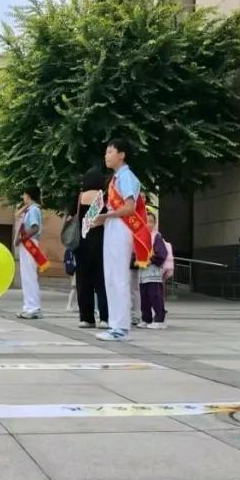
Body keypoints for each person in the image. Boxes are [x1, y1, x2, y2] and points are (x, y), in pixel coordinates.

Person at [93, 138, 150, 342]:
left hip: (121, 227)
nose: (106, 155)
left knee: (118, 277)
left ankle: (121, 328)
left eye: (110, 151)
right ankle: (115, 325)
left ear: (122, 155)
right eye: (106, 152)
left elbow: (129, 208)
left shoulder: (126, 176)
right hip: (113, 226)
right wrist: (103, 219)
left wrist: (106, 216)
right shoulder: (116, 178)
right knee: (110, 277)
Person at [71, 168, 109, 329]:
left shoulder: (79, 197)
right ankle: (105, 318)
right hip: (101, 243)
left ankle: (86, 318)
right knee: (102, 282)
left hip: (82, 244)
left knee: (83, 282)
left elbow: (70, 217)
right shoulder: (104, 197)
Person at [15, 187, 47, 319]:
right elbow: (17, 215)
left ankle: (33, 307)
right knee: (26, 277)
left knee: (30, 276)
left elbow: (35, 228)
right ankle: (28, 306)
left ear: (28, 195)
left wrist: (21, 238)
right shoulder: (30, 209)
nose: (23, 197)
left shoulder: (33, 210)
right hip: (27, 244)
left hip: (30, 244)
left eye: (24, 195)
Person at [138, 212, 168, 329]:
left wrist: (151, 260)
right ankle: (146, 318)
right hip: (142, 274)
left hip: (153, 273)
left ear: (155, 224)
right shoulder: (139, 237)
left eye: (151, 222)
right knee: (144, 298)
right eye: (146, 221)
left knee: (155, 296)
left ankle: (160, 319)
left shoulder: (156, 237)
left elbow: (162, 253)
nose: (148, 224)